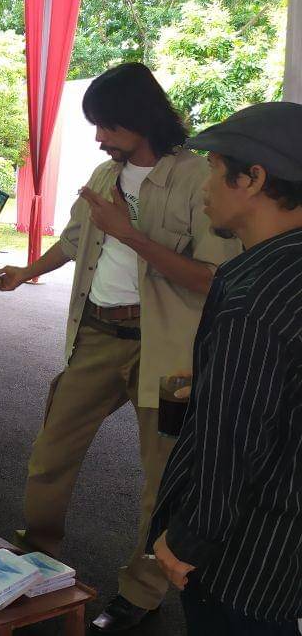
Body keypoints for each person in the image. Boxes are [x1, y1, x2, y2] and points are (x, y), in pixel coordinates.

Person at [0, 62, 241, 633]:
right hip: (98, 335)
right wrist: (23, 272)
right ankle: (35, 558)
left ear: (140, 119)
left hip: (168, 348)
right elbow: (76, 239)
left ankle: (141, 593)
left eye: (107, 125)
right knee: (51, 454)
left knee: (162, 479)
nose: (99, 137)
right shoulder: (105, 176)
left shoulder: (197, 179)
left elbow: (213, 278)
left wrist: (130, 234)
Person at [146, 102, 302, 636]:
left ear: (253, 177)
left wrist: (188, 540)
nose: (206, 185)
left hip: (250, 561)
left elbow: (231, 441)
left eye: (214, 168)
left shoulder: (250, 295)